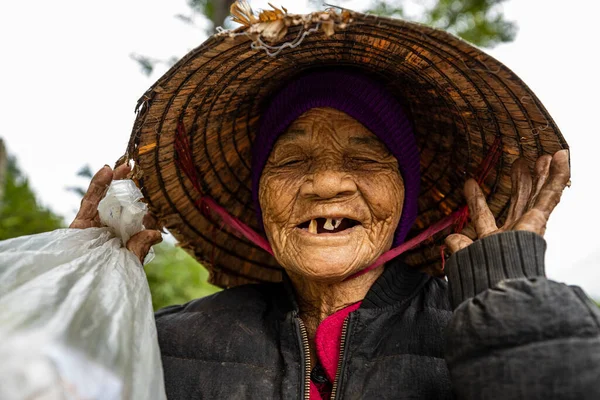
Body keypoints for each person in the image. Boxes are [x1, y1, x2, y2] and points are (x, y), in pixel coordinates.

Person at [72, 2, 600, 399]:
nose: (326, 183)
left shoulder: (476, 320)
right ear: (259, 201)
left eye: (365, 157)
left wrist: (506, 293)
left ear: (406, 196)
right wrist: (81, 311)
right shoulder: (169, 342)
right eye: (291, 159)